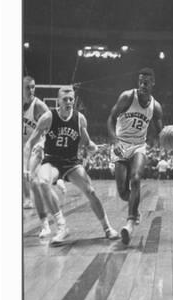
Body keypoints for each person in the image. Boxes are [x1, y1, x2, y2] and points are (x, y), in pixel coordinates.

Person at [24, 86, 118, 244]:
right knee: (42, 182)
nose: (68, 102)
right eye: (65, 99)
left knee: (91, 191)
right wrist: (26, 167)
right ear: (58, 101)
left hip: (71, 162)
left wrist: (93, 147)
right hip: (52, 160)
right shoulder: (48, 117)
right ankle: (62, 227)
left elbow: (87, 142)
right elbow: (29, 143)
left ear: (74, 101)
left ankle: (107, 228)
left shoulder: (80, 118)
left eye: (71, 99)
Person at [107, 68, 164, 245]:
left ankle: (130, 223)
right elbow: (110, 118)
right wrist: (115, 141)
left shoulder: (156, 107)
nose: (142, 85)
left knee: (136, 179)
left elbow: (161, 131)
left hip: (139, 146)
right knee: (123, 192)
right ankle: (135, 209)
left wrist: (168, 139)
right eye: (140, 81)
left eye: (146, 82)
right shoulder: (127, 97)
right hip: (121, 144)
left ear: (153, 83)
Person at [22, 75, 51, 219]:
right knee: (23, 173)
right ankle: (27, 198)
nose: (31, 90)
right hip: (22, 145)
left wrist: (49, 142)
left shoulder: (39, 105)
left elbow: (52, 121)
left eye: (33, 87)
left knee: (30, 175)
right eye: (28, 87)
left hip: (36, 145)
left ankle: (36, 202)